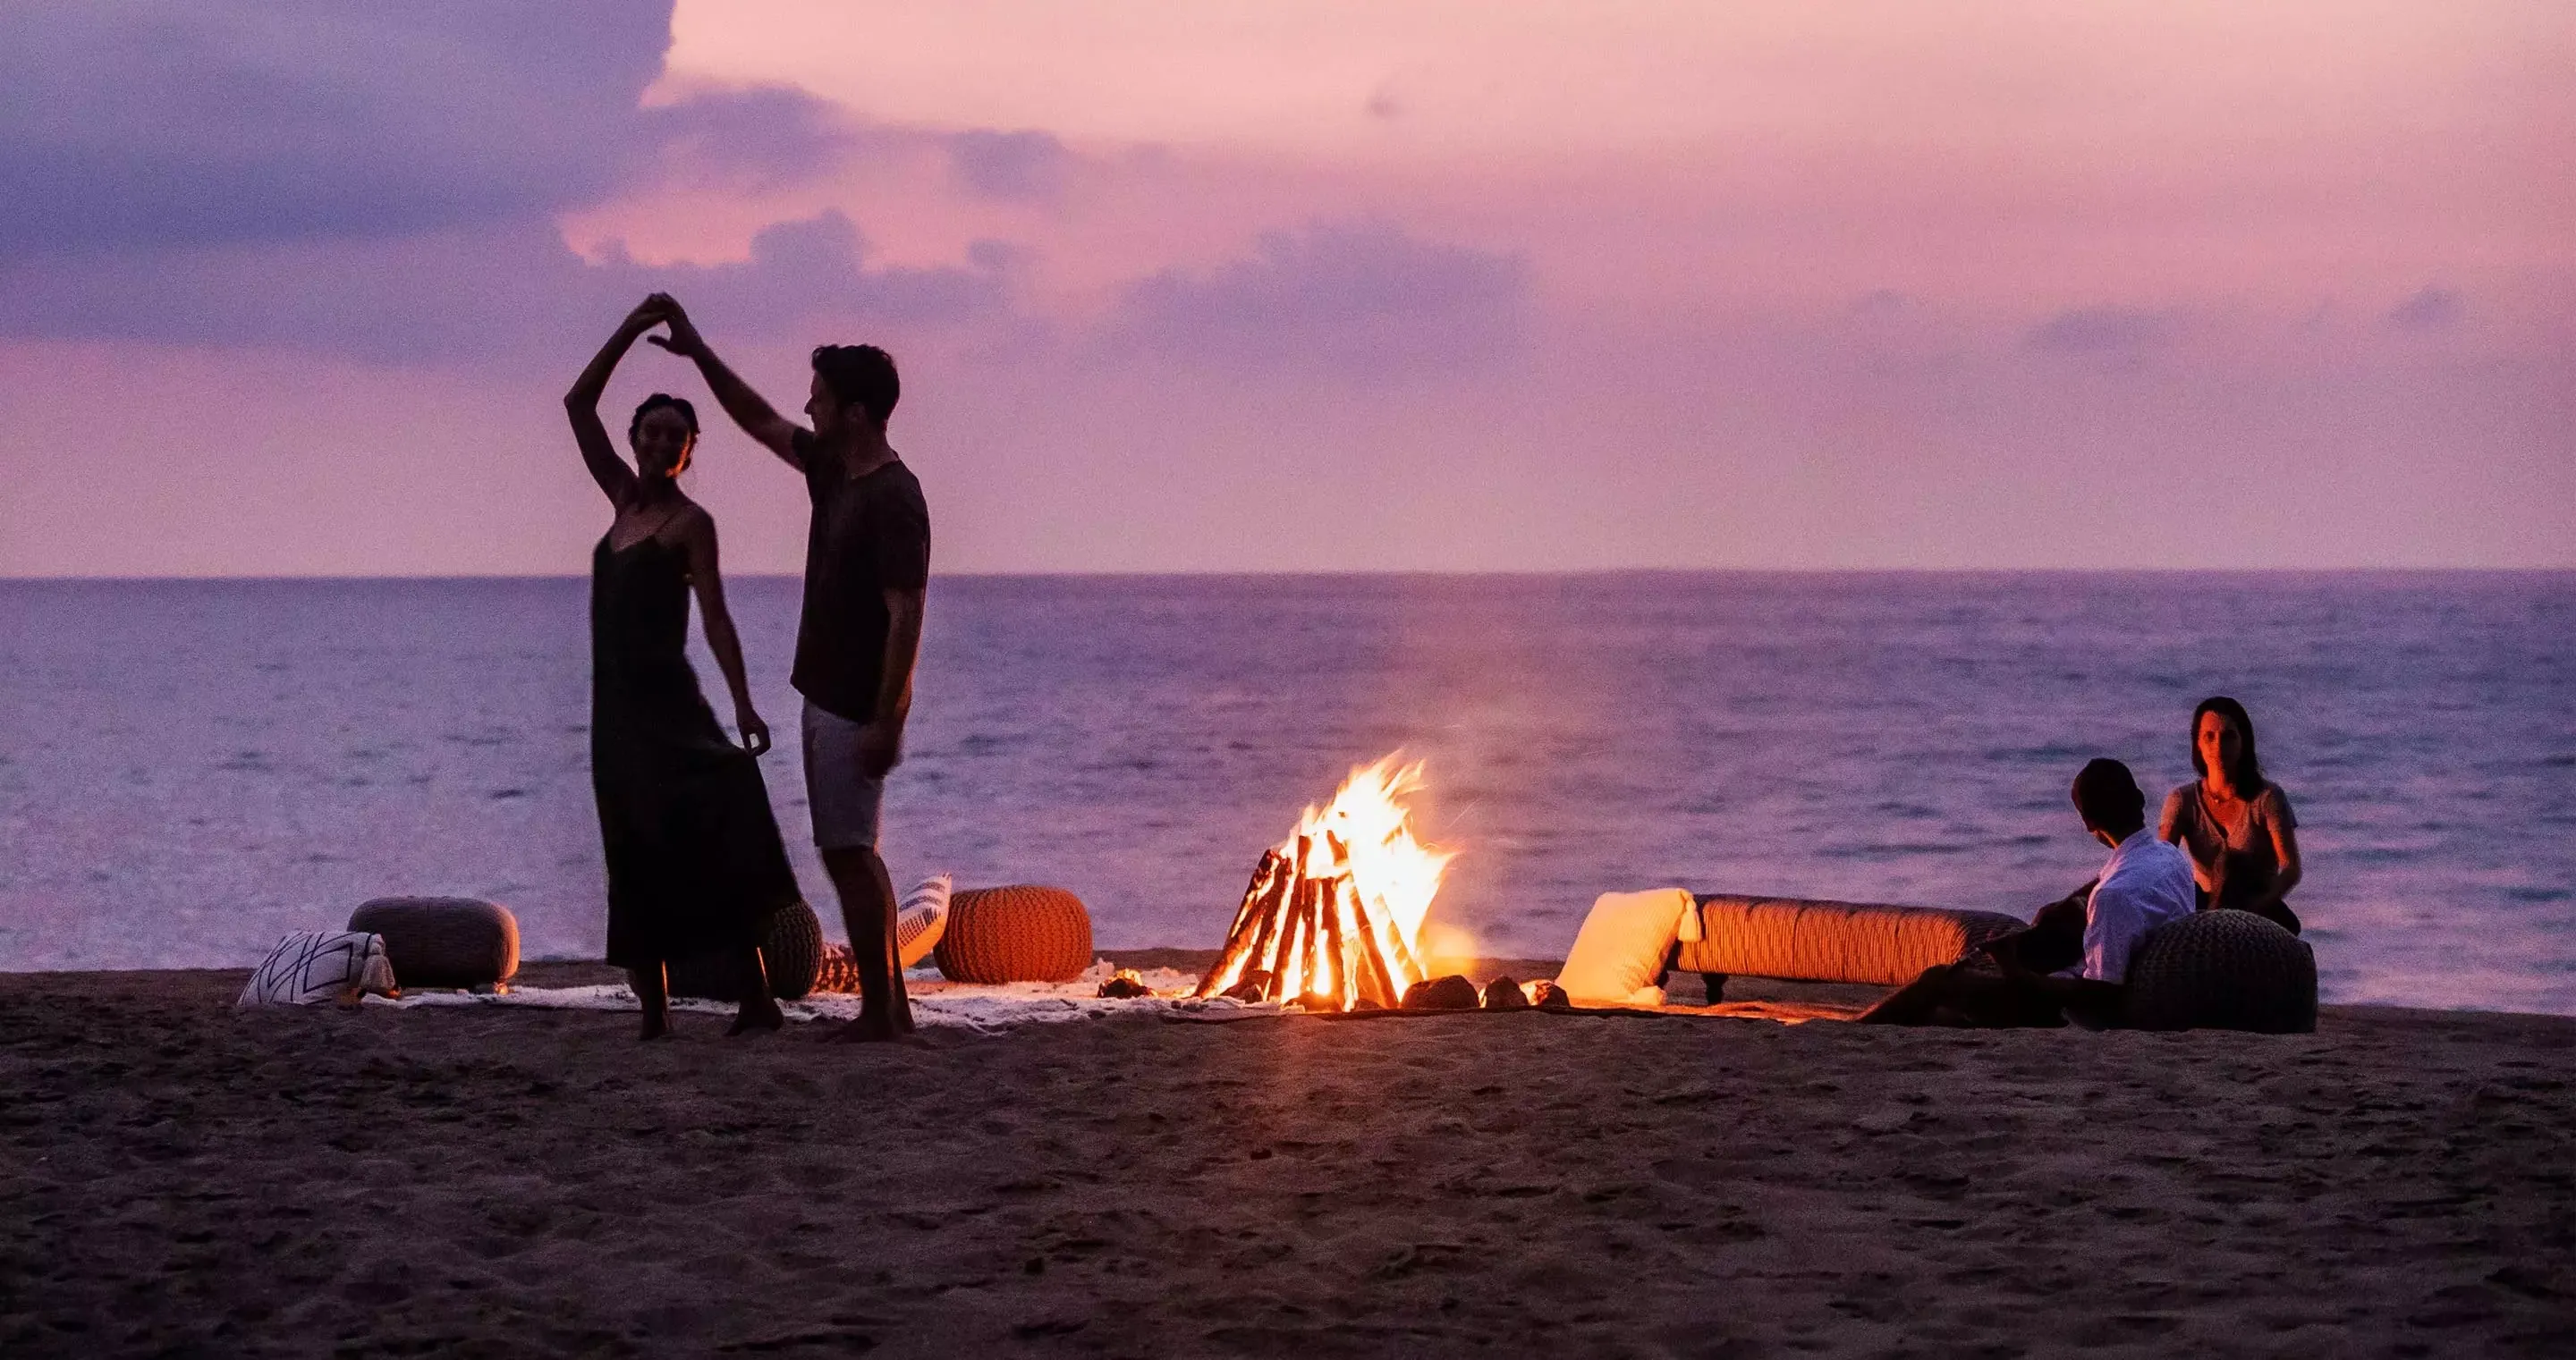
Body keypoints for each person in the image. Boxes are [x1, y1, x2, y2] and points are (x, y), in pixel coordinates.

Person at [645, 294, 928, 1043]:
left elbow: (907, 614)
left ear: (858, 412)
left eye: (824, 399)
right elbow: (761, 418)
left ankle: (879, 1013)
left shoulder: (895, 497)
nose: (810, 406)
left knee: (848, 853)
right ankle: (890, 1008)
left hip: (854, 703)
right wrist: (699, 352)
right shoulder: (834, 470)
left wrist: (887, 717)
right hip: (823, 693)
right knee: (853, 852)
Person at [566, 299, 801, 1040]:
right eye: (652, 429)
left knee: (712, 835)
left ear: (690, 449)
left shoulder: (691, 524)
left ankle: (757, 997)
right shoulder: (621, 500)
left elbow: (718, 618)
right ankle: (655, 1011)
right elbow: (578, 403)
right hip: (617, 717)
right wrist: (633, 326)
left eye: (677, 434)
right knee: (630, 849)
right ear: (636, 440)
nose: (662, 440)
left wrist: (744, 706)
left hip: (674, 708)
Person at [1860, 758, 2196, 1027]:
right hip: (2153, 989)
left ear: (2089, 825)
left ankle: (1852, 1030)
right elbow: (2104, 880)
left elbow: (2102, 995)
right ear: (2140, 800)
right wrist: (2061, 910)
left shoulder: (2112, 897)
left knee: (1937, 981)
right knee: (1940, 1017)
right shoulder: (2169, 857)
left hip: (2074, 1013)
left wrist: (2015, 971)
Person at [2160, 696, 2304, 934]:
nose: (2218, 747)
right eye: (2209, 737)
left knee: (2232, 864)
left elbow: (2290, 868)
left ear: (2243, 742)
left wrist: (2254, 910)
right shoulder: (2182, 800)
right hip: (2203, 904)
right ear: (2197, 743)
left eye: (2228, 737)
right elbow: (2160, 862)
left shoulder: (2267, 797)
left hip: (2255, 902)